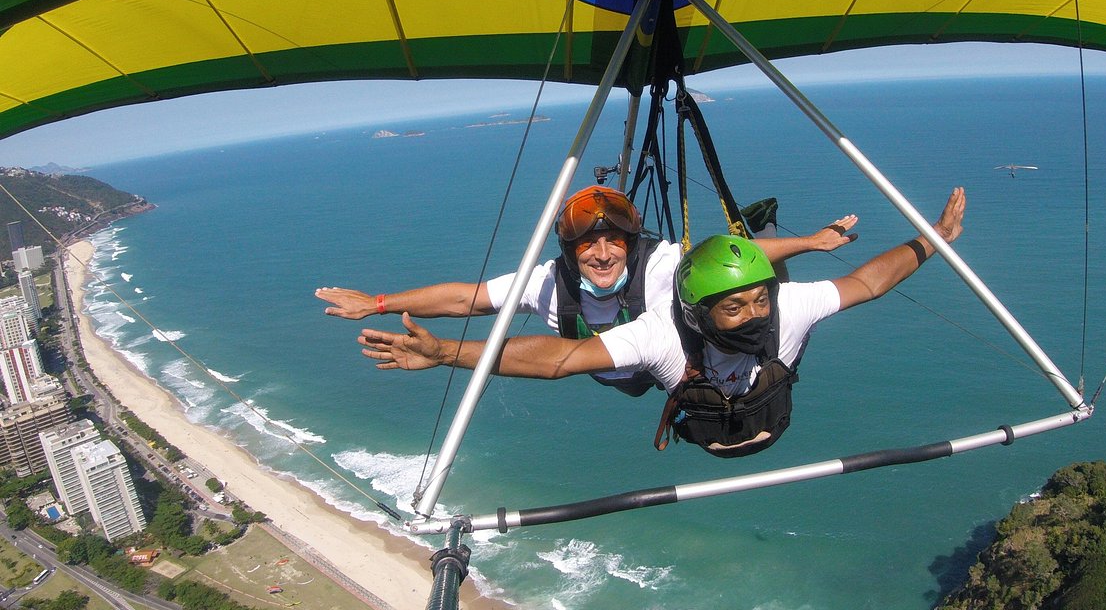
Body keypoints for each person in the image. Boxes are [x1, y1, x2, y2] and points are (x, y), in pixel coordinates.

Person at [356, 188, 966, 459]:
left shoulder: (780, 306)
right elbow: (555, 358)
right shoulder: (659, 332)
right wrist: (444, 351)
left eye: (759, 303)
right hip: (675, 389)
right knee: (629, 359)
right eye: (736, 309)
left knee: (753, 253)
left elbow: (866, 282)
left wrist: (930, 240)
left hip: (761, 411)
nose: (755, 316)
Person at [317, 185, 859, 395]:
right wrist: (381, 303)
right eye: (587, 246)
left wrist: (809, 243)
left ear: (631, 242)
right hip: (609, 371)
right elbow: (466, 298)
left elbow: (728, 263)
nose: (602, 254)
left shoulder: (664, 263)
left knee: (747, 280)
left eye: (614, 242)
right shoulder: (548, 282)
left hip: (655, 367)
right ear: (571, 252)